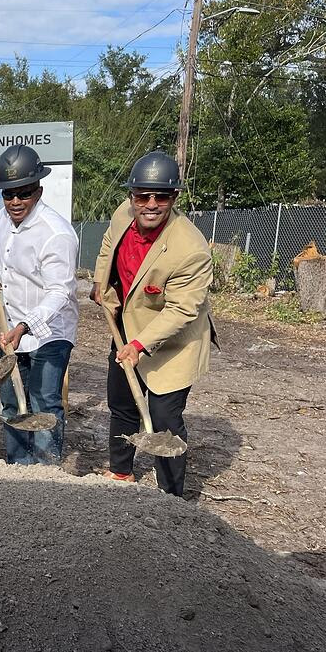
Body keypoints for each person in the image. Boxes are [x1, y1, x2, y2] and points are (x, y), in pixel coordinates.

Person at [92, 150, 218, 497]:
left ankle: (170, 496)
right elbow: (108, 246)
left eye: (160, 197)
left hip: (174, 341)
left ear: (174, 197)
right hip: (126, 328)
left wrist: (138, 345)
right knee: (122, 403)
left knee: (163, 418)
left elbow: (181, 310)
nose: (150, 204)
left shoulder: (189, 247)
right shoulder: (122, 214)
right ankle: (120, 472)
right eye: (141, 196)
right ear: (131, 196)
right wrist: (101, 284)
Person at [0, 144, 79, 465]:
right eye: (9, 194)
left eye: (24, 192)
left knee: (44, 402)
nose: (16, 201)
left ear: (39, 189)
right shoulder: (2, 220)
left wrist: (25, 326)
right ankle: (18, 469)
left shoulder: (56, 234)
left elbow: (59, 293)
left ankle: (45, 473)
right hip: (11, 328)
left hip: (50, 332)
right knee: (10, 402)